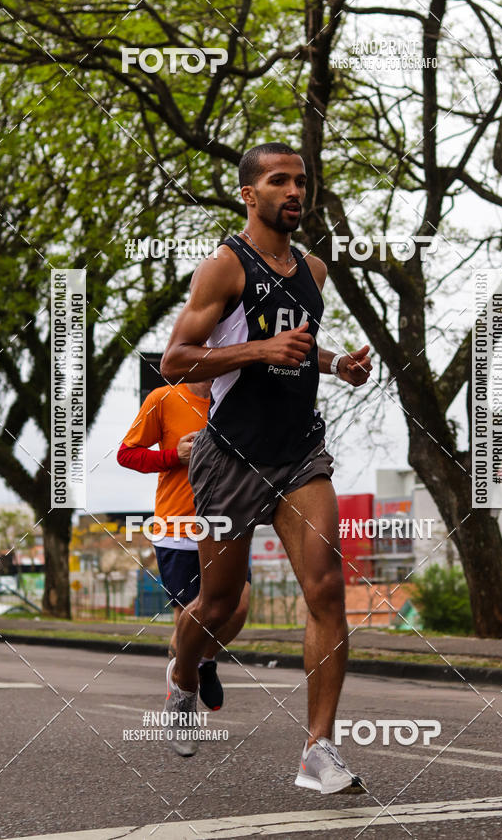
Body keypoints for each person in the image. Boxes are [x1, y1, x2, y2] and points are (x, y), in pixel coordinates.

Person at [160, 141, 372, 789]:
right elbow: (174, 361)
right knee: (220, 604)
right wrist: (259, 351)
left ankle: (318, 752)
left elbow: (298, 347)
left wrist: (337, 364)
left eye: (301, 182)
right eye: (279, 181)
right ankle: (180, 673)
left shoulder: (313, 269)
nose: (294, 192)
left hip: (300, 452)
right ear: (249, 195)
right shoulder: (223, 268)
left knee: (328, 589)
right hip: (231, 458)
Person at [117, 378, 251, 723]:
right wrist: (173, 455)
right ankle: (182, 694)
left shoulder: (240, 395)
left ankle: (202, 661)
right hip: (177, 526)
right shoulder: (163, 398)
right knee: (190, 617)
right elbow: (127, 454)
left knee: (238, 607)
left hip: (226, 520)